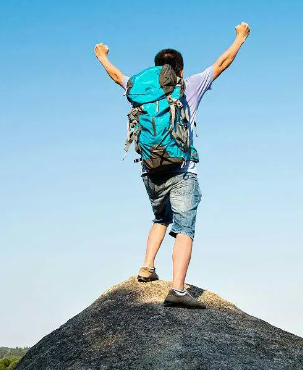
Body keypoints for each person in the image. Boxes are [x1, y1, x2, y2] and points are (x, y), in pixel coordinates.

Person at [94, 22, 251, 309]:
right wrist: (240, 38)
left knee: (160, 218)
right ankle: (178, 290)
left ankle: (146, 267)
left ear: (156, 69)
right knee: (184, 229)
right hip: (182, 170)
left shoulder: (140, 88)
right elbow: (222, 62)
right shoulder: (189, 85)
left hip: (150, 170)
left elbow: (116, 75)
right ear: (180, 69)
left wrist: (102, 56)